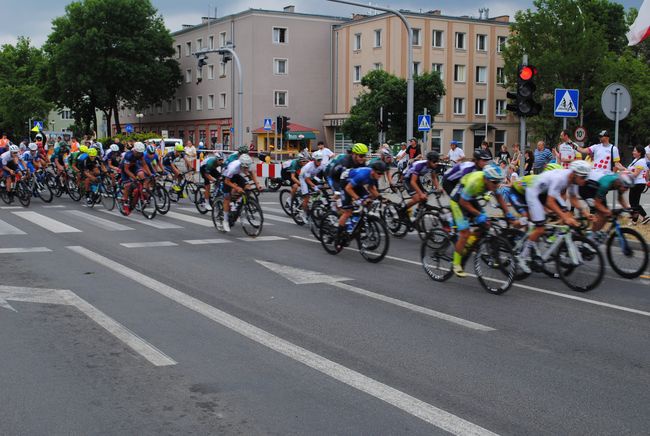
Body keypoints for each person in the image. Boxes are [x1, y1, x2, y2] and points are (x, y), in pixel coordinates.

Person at [516, 161, 592, 273]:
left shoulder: (573, 180)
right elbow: (550, 202)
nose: (585, 180)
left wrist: (585, 213)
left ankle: (545, 238)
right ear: (574, 174)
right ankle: (522, 257)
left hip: (545, 192)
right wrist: (565, 217)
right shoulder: (561, 178)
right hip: (533, 193)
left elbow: (573, 198)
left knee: (561, 216)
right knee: (540, 228)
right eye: (583, 177)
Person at [449, 164, 514, 277]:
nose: (496, 185)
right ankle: (456, 263)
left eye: (498, 182)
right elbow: (463, 202)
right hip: (458, 200)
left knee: (486, 225)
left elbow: (499, 197)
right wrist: (479, 214)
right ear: (486, 179)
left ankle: (468, 245)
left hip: (471, 197)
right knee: (465, 232)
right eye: (494, 182)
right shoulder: (475, 182)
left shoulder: (492, 182)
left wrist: (507, 212)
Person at [337, 161, 386, 242]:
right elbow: (348, 188)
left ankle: (358, 221)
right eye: (379, 173)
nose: (380, 175)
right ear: (373, 171)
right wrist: (358, 199)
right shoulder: (363, 175)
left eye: (382, 174)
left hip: (357, 184)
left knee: (368, 202)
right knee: (348, 212)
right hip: (345, 182)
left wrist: (381, 198)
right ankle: (338, 236)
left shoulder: (374, 176)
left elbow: (371, 188)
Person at [221, 154, 262, 232]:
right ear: (241, 165)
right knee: (227, 198)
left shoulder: (247, 165)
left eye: (247, 167)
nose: (246, 169)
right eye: (245, 168)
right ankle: (225, 220)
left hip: (236, 175)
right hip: (227, 176)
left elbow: (252, 173)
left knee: (248, 187)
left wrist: (257, 184)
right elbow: (227, 181)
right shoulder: (233, 168)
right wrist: (237, 187)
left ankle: (237, 202)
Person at [627, 145, 649, 225]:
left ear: (639, 153)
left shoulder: (641, 161)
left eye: (635, 151)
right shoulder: (636, 160)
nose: (633, 152)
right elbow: (646, 173)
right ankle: (642, 217)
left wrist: (626, 172)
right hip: (637, 183)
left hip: (638, 184)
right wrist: (622, 168)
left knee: (634, 203)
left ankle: (635, 220)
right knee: (634, 202)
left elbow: (635, 174)